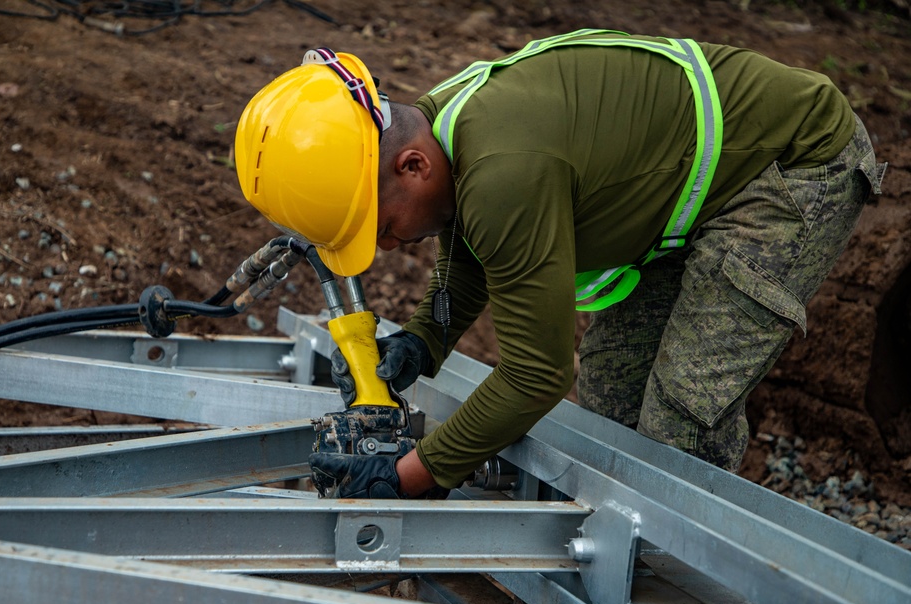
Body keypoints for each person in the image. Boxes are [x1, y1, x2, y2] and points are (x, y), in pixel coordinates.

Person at [234, 31, 886, 498]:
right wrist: (426, 337)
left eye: (377, 226)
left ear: (412, 166)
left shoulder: (503, 171)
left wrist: (413, 474)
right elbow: (470, 241)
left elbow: (537, 374)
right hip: (687, 190)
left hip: (790, 167)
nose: (383, 246)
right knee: (610, 388)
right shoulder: (437, 124)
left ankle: (683, 588)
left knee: (680, 413)